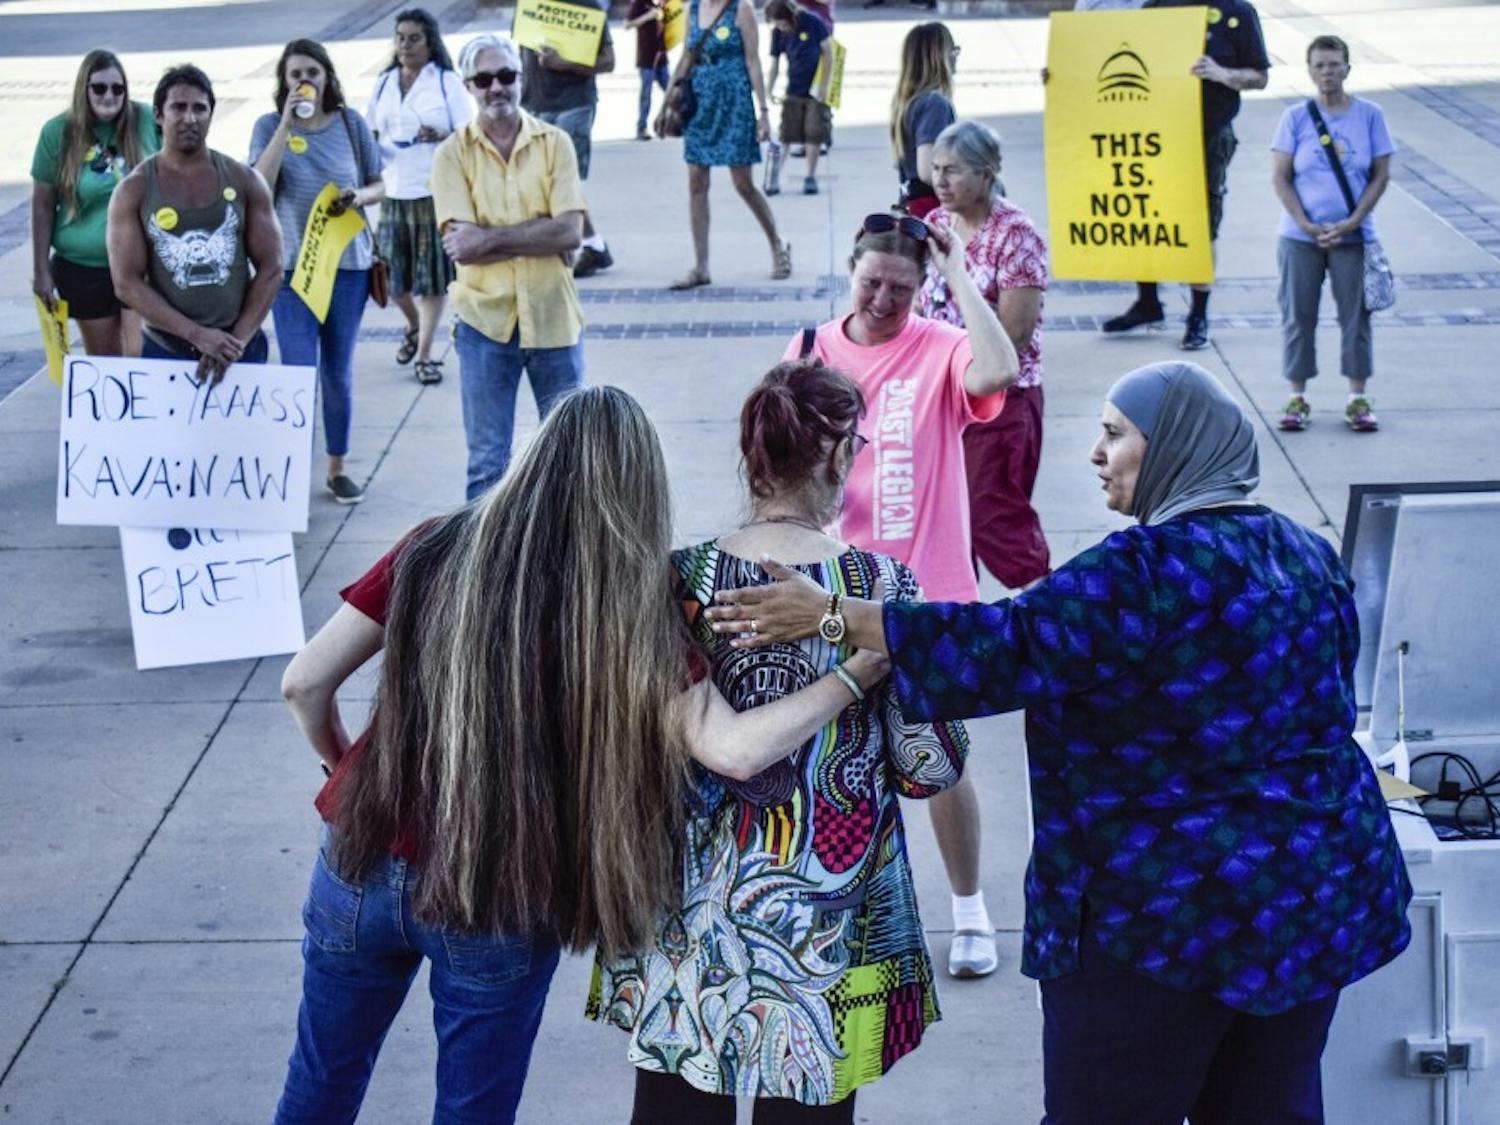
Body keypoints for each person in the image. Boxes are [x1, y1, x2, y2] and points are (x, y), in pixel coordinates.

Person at [706, 360, 1414, 1125]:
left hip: (1159, 921)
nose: (1096, 452)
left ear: (1174, 446)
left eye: (1115, 434)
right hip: (1312, 901)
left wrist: (829, 614)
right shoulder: (1304, 553)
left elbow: (1005, 644)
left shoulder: (1141, 572)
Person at [271, 385, 891, 1125]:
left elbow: (303, 682)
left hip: (356, 860)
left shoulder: (432, 545)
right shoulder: (626, 609)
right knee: (471, 1111)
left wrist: (346, 770)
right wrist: (855, 673)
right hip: (495, 889)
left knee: (318, 1089)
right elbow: (735, 749)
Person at [590, 361, 967, 1122]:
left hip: (692, 913)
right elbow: (930, 768)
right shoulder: (882, 590)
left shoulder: (675, 580)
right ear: (836, 454)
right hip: (832, 924)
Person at [784, 214, 1019, 978]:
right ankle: (837, 915)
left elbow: (999, 371)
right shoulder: (811, 350)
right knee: (834, 761)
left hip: (932, 599)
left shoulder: (944, 347)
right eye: (871, 282)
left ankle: (970, 911)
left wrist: (957, 273)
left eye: (903, 286)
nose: (885, 298)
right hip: (836, 592)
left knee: (940, 762)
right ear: (850, 272)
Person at [431, 34, 587, 501]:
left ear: (520, 77)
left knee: (570, 464)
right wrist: (539, 233)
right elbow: (462, 248)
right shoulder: (451, 155)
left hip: (553, 321)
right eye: (483, 79)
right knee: (487, 466)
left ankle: (568, 565)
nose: (496, 87)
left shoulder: (556, 143)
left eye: (505, 76)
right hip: (484, 325)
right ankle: (483, 571)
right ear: (468, 86)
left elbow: (570, 232)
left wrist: (490, 237)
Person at [251, 40, 385, 506]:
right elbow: (258, 187)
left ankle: (337, 466)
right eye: (294, 74)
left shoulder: (350, 124)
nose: (303, 80)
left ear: (327, 75)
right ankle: (289, 470)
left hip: (346, 265)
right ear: (283, 81)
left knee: (337, 373)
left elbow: (379, 183)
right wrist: (288, 122)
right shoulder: (269, 126)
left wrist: (359, 197)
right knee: (297, 373)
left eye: (312, 71)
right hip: (292, 271)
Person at [919, 121, 1050, 590]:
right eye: (936, 169)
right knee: (949, 519)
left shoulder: (1016, 236)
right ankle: (963, 614)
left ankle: (1044, 604)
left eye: (952, 171)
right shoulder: (937, 225)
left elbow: (1013, 338)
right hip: (943, 398)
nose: (940, 181)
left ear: (987, 173)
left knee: (993, 513)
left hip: (1002, 402)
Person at [1102, 0, 1269, 350]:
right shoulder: (1156, 6)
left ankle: (1198, 314)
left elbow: (1259, 76)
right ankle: (1148, 302)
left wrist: (1222, 73)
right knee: (1144, 213)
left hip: (1210, 132)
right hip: (1157, 131)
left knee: (1203, 223)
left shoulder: (1237, 10)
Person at [107, 65, 282, 384]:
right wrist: (197, 334)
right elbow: (126, 283)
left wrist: (236, 342)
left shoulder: (244, 180)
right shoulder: (134, 190)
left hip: (241, 347)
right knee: (169, 437)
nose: (190, 118)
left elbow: (272, 266)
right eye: (179, 107)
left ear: (211, 114)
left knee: (240, 437)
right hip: (167, 350)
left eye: (199, 108)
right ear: (159, 115)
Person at [1271, 35, 1392, 434]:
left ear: (1347, 68)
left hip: (1352, 235)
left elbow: (1380, 174)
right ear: (1309, 70)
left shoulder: (1369, 115)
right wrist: (1305, 223)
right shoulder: (1295, 118)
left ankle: (1357, 397)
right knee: (1297, 315)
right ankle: (1297, 396)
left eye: (1334, 64)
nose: (1327, 72)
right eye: (1320, 65)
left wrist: (1354, 220)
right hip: (1300, 236)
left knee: (1356, 317)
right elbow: (1281, 177)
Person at [31, 50, 159, 358]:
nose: (109, 96)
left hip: (140, 264)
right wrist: (40, 271)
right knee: (106, 363)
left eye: (118, 88)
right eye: (99, 88)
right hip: (84, 267)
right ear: (83, 89)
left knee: (138, 354)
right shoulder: (57, 132)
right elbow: (42, 205)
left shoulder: (145, 120)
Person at [367, 8, 471, 384]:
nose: (405, 45)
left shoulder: (445, 82)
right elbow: (368, 133)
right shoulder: (384, 83)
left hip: (431, 193)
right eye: (400, 38)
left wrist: (439, 135)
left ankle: (425, 354)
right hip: (394, 190)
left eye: (414, 38)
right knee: (391, 278)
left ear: (430, 43)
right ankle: (413, 325)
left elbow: (469, 133)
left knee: (429, 280)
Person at [666, 0, 791, 289]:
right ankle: (701, 266)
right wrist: (666, 103)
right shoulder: (693, 8)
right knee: (696, 183)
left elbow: (752, 60)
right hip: (699, 104)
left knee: (743, 183)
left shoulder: (740, 8)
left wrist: (762, 111)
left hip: (734, 102)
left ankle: (777, 244)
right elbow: (687, 55)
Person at [520, 0, 615, 278]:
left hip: (573, 105)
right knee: (541, 177)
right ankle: (591, 245)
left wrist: (565, 63)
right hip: (533, 104)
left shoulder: (586, 6)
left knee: (561, 178)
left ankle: (578, 244)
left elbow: (608, 62)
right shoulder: (530, 5)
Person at [765, 0, 833, 195]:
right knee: (786, 135)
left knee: (813, 133)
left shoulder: (812, 22)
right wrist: (770, 88)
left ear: (791, 17)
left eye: (782, 23)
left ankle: (810, 176)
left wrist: (824, 85)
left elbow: (828, 53)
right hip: (793, 88)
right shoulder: (778, 33)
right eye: (777, 24)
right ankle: (774, 177)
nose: (780, 27)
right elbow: (775, 62)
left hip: (814, 90)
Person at [624, 0, 671, 142]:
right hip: (646, 58)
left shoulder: (664, 3)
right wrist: (648, 16)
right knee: (646, 94)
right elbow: (627, 24)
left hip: (661, 57)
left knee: (672, 92)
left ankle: (672, 124)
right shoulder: (640, 3)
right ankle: (641, 128)